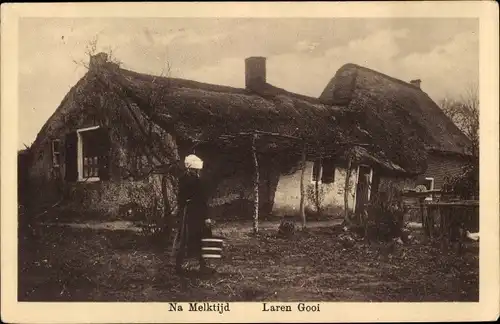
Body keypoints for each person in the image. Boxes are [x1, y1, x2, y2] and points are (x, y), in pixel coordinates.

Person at [175, 154, 214, 275]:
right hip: (196, 213)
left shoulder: (182, 179)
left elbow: (180, 198)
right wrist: (207, 217)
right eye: (196, 169)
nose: (197, 171)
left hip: (187, 212)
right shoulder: (197, 181)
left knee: (184, 238)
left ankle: (181, 265)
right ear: (193, 169)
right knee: (198, 237)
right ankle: (200, 266)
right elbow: (202, 200)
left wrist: (183, 208)